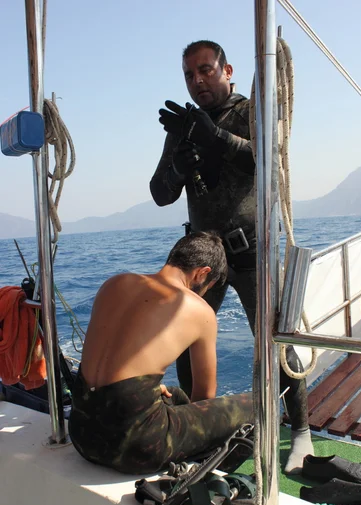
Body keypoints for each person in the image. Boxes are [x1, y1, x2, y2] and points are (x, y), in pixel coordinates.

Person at [150, 40, 313, 474]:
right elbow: (159, 194)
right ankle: (196, 428)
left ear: (227, 70)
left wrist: (214, 136)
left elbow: (268, 159)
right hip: (205, 256)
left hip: (251, 249)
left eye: (205, 70)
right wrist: (179, 168)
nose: (197, 80)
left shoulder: (250, 111)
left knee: (275, 342)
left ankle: (300, 434)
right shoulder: (182, 125)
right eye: (189, 74)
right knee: (184, 343)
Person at [69, 232, 253, 475]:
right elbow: (204, 396)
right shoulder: (200, 311)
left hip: (82, 433)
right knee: (258, 406)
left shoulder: (114, 283)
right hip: (134, 449)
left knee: (174, 394)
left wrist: (147, 391)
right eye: (208, 287)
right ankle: (200, 478)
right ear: (202, 273)